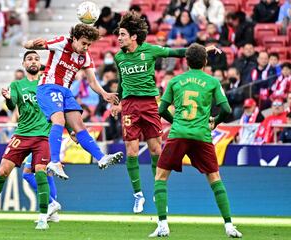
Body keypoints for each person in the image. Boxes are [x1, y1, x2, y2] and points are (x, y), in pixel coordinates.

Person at [110, 12, 221, 214]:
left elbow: (179, 52)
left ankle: (157, 189)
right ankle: (138, 195)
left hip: (150, 105)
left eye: (123, 34)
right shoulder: (119, 57)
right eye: (119, 35)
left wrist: (203, 51)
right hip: (129, 106)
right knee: (131, 152)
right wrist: (117, 102)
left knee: (156, 151)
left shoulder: (150, 50)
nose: (119, 38)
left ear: (134, 36)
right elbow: (121, 82)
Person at [150, 43, 242, 238]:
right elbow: (226, 109)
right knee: (215, 179)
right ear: (205, 61)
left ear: (186, 61)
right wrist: (215, 123)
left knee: (160, 177)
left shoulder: (175, 81)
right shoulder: (212, 82)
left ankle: (163, 225)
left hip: (178, 134)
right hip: (202, 134)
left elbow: (160, 110)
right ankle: (229, 226)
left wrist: (177, 122)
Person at [24, 23, 123, 180]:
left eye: (89, 44)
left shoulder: (86, 57)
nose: (86, 47)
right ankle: (55, 162)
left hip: (66, 92)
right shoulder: (62, 42)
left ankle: (101, 157)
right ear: (74, 38)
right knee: (59, 120)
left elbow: (92, 81)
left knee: (79, 126)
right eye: (83, 43)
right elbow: (31, 45)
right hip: (48, 87)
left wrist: (104, 94)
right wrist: (30, 44)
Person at [0, 51, 52, 230]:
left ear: (40, 63)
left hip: (42, 136)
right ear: (24, 64)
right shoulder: (16, 85)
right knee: (2, 172)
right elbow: (12, 104)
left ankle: (43, 217)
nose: (34, 61)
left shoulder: (46, 84)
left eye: (36, 59)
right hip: (21, 135)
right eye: (30, 59)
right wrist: (7, 99)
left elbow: (57, 107)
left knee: (41, 172)